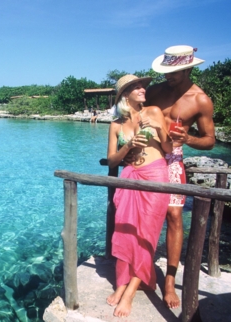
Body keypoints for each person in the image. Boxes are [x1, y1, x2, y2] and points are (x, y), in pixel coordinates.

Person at [145, 45, 215, 309]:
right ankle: (142, 269)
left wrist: (189, 138)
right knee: (144, 214)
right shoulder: (154, 91)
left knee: (174, 216)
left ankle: (170, 281)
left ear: (187, 69)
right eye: (167, 71)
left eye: (173, 72)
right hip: (148, 156)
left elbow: (209, 141)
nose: (168, 76)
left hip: (173, 159)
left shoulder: (200, 100)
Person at [106, 74, 172, 317]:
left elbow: (168, 148)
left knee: (146, 232)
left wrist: (160, 131)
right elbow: (112, 159)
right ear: (125, 95)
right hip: (129, 176)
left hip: (155, 174)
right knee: (125, 230)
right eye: (136, 87)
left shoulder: (154, 112)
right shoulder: (116, 124)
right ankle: (122, 282)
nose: (143, 89)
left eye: (143, 86)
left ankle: (130, 292)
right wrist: (129, 144)